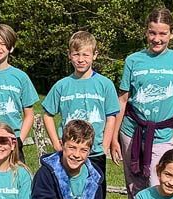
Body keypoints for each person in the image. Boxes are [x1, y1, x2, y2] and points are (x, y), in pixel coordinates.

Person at [111, 8, 173, 199]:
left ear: (172, 34)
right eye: (152, 32)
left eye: (163, 33)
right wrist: (113, 138)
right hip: (131, 131)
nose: (157, 39)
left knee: (161, 184)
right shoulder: (133, 60)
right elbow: (122, 100)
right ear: (146, 32)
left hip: (162, 133)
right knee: (134, 186)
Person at [41, 30, 120, 185]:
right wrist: (57, 145)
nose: (81, 59)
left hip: (94, 151)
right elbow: (47, 114)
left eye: (85, 55)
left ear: (95, 55)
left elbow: (111, 116)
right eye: (76, 54)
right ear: (69, 55)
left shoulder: (105, 85)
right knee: (66, 192)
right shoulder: (62, 86)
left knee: (95, 194)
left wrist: (104, 146)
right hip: (68, 152)